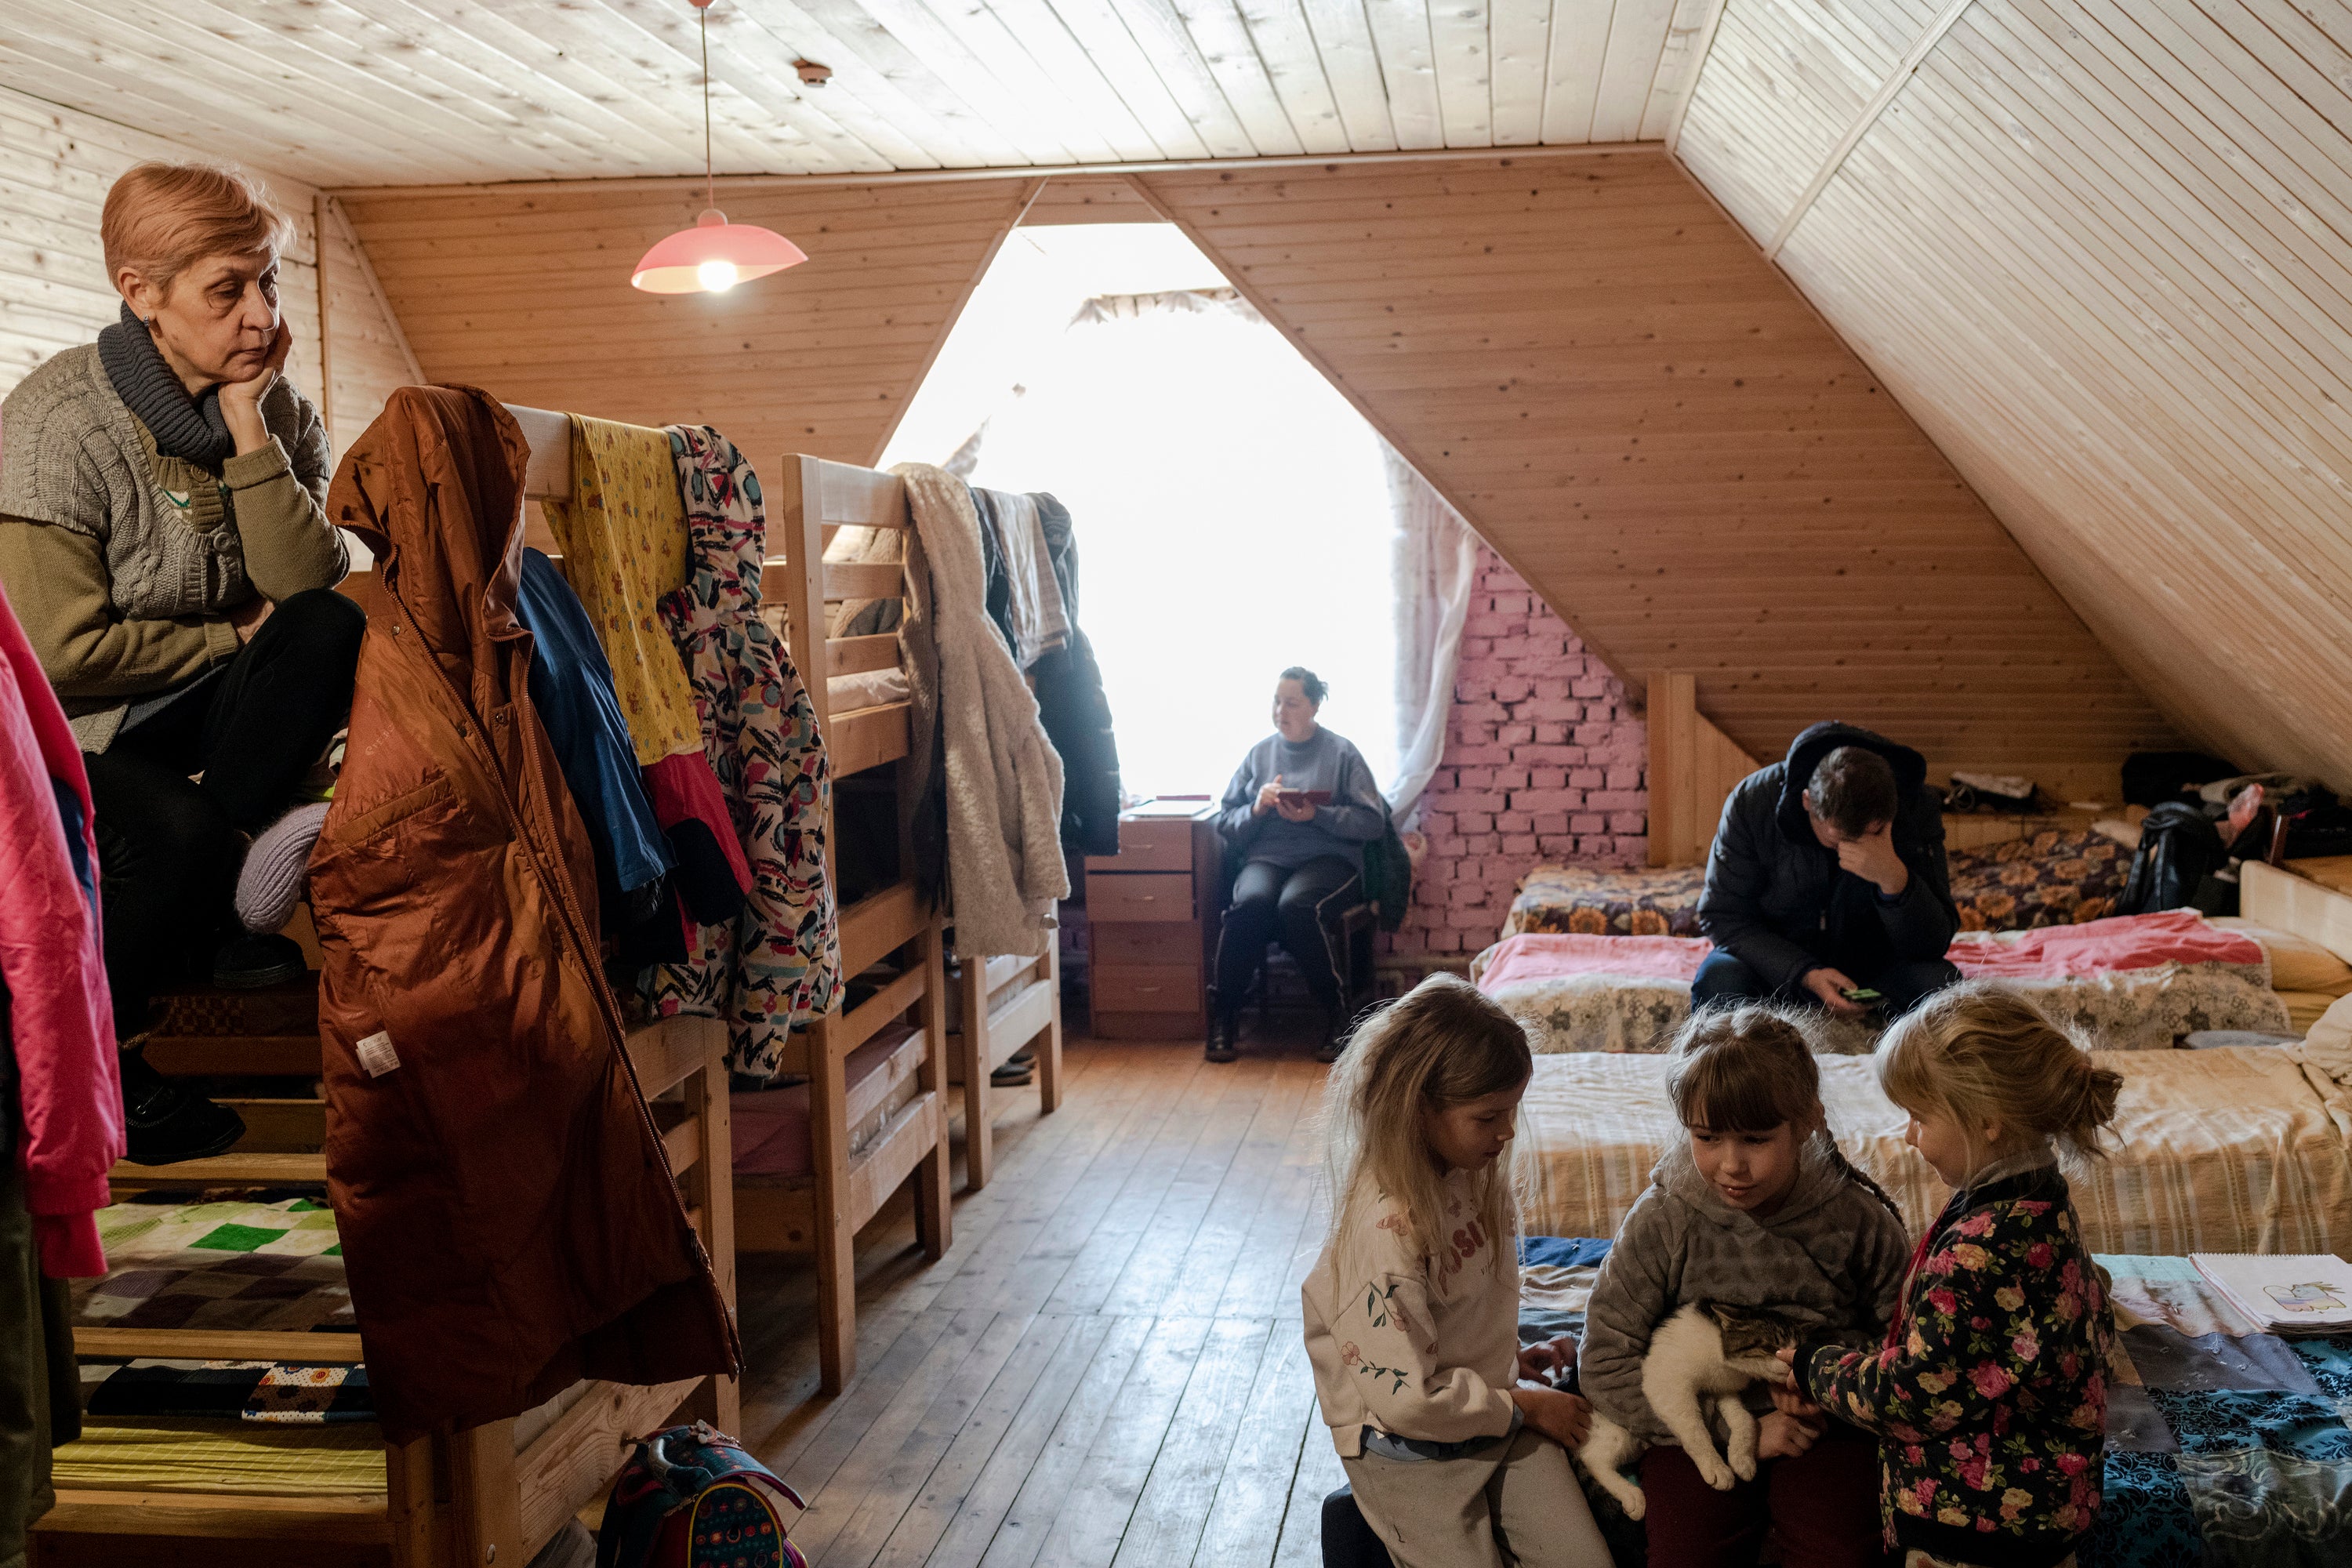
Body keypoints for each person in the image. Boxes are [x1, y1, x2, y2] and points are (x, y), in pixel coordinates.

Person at [0, 162, 364, 1163]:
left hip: (196, 709)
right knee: (173, 827)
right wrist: (225, 636)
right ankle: (103, 1059)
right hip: (67, 725)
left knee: (331, 626)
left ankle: (226, 885)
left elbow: (304, 589)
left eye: (270, 284)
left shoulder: (276, 408)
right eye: (228, 289)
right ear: (141, 292)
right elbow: (57, 652)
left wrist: (251, 428)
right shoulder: (58, 423)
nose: (258, 314)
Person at [1778, 984, 2119, 1568]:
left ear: (1986, 1120)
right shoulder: (2039, 1200)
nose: (1909, 1136)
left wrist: (1816, 1366)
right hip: (2043, 1507)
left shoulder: (1983, 1251)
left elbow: (1911, 1397)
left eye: (1920, 1117)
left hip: (1978, 1526)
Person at [1580, 1006, 1912, 1568]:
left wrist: (1824, 1388)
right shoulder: (1663, 1220)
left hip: (1824, 1423)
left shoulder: (1856, 1219)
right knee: (1687, 1552)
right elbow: (1606, 1361)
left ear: (1806, 1120)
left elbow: (1903, 1345)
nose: (1730, 1165)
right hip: (1695, 1425)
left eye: (1755, 1139)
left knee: (1840, 1552)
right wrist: (1737, 1431)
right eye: (1706, 1137)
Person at [1301, 975, 1611, 1568]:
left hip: (1489, 1414)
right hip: (1411, 1454)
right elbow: (1409, 1401)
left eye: (1512, 1110)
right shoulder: (1384, 1231)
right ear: (1420, 1108)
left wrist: (1504, 1360)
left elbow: (1456, 1312)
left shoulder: (1467, 1173)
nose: (1508, 1131)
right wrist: (1524, 1405)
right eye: (1489, 1115)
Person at [1696, 720, 1962, 1021]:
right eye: (1838, 840)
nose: (1854, 851)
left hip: (1878, 967)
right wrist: (1804, 973)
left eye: (1871, 835)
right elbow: (1723, 915)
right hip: (1781, 965)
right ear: (1807, 802)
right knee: (1720, 979)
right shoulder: (1753, 800)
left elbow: (1933, 944)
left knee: (1944, 988)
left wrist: (1894, 879)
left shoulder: (1916, 806)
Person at [1211, 666, 1387, 1062]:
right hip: (1268, 857)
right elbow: (1225, 820)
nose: (1280, 710)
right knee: (1250, 905)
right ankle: (1223, 1017)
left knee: (1297, 906)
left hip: (1330, 860)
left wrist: (1317, 816)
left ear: (1315, 706)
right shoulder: (1259, 754)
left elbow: (1373, 823)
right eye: (1276, 701)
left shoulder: (1342, 752)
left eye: (1290, 702)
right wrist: (1256, 808)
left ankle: (1337, 1018)